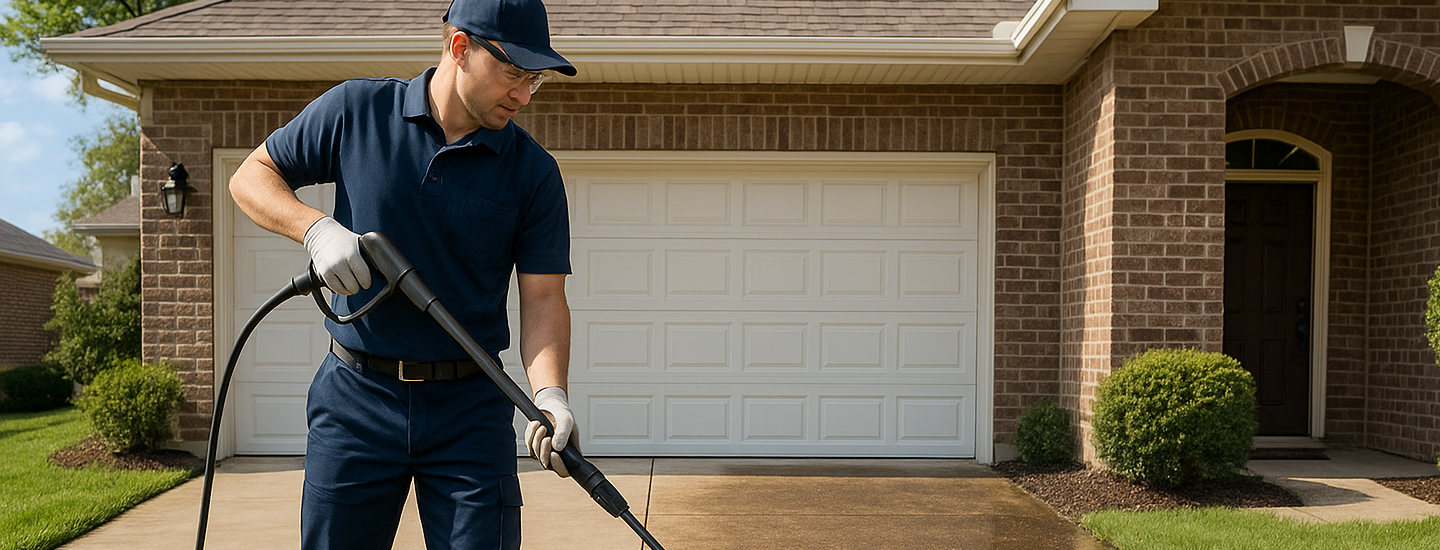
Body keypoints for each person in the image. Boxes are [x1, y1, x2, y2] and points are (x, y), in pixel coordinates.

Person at [227, 0, 577, 548]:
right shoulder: (357, 111)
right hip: (355, 400)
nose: (524, 95)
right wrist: (315, 230)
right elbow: (252, 176)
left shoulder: (533, 172)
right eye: (513, 74)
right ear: (460, 48)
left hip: (472, 408)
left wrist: (550, 393)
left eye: (535, 80)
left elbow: (543, 299)